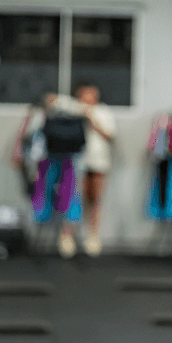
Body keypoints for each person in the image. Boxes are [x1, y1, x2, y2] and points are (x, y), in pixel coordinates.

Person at [48, 83, 116, 257]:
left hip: (99, 161)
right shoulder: (74, 109)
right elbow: (54, 101)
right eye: (85, 95)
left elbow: (110, 135)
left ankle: (92, 237)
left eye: (92, 94)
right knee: (73, 198)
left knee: (95, 199)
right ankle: (67, 236)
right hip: (77, 160)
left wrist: (91, 119)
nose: (89, 98)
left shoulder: (104, 112)